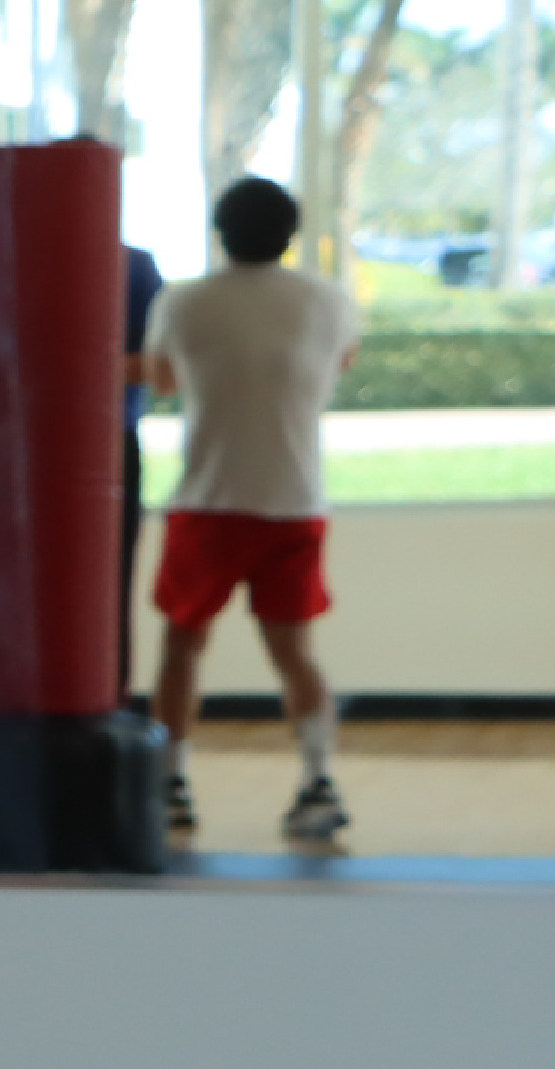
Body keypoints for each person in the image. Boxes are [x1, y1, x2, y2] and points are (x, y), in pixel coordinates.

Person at [143, 176, 358, 841]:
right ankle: (318, 780)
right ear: (290, 233)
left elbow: (160, 378)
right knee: (294, 651)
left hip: (209, 500)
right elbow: (340, 364)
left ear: (220, 231)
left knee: (182, 645)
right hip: (294, 501)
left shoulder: (183, 302)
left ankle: (172, 782)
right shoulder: (330, 301)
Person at [122, 241, 164, 700]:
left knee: (111, 579)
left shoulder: (132, 266)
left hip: (108, 444)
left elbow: (157, 364)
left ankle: (108, 695)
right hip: (15, 450)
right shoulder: (1, 256)